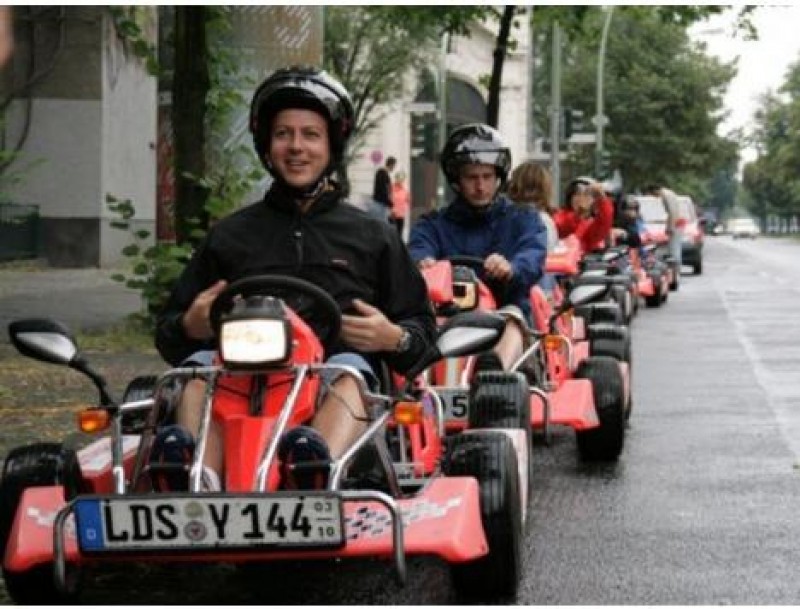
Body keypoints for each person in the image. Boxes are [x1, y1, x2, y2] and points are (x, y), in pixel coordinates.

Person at [154, 66, 436, 491]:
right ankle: (195, 475)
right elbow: (169, 336)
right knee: (195, 373)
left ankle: (314, 468)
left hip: (329, 376)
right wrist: (188, 326)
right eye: (283, 134)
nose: (296, 147)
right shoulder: (230, 236)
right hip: (236, 378)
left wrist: (391, 337)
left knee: (352, 375)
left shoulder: (371, 235)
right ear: (267, 145)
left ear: (331, 145)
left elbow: (422, 335)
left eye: (310, 134)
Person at [408, 123, 548, 373]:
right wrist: (424, 263)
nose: (480, 186)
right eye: (472, 177)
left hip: (505, 315)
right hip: (445, 320)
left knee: (513, 317)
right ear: (457, 181)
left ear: (498, 178)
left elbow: (532, 255)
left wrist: (511, 268)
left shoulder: (523, 219)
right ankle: (413, 387)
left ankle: (494, 373)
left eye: (487, 177)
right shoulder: (433, 224)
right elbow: (419, 249)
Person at [552, 175, 615, 254]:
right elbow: (563, 226)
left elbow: (603, 224)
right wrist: (580, 214)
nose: (580, 198)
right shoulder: (560, 216)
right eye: (576, 194)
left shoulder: (593, 222)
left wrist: (603, 200)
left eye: (586, 194)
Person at [645, 183, 682, 270]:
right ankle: (674, 268)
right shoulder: (668, 193)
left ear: (655, 191)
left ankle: (675, 269)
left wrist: (670, 227)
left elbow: (672, 212)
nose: (654, 196)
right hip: (676, 222)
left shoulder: (666, 195)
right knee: (673, 247)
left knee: (674, 248)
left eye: (653, 194)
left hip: (676, 224)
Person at [370, 155, 396, 222]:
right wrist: (390, 203)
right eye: (394, 166)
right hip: (379, 203)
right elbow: (383, 189)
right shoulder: (382, 173)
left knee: (382, 223)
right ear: (391, 165)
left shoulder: (384, 174)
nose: (393, 168)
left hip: (382, 203)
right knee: (380, 223)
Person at [390, 170, 411, 238]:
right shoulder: (391, 188)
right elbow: (388, 200)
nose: (401, 181)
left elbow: (408, 201)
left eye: (402, 179)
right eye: (399, 178)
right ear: (396, 178)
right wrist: (392, 210)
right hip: (392, 215)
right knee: (392, 234)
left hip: (401, 216)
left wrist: (404, 209)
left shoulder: (404, 190)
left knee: (399, 235)